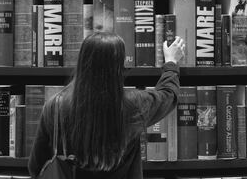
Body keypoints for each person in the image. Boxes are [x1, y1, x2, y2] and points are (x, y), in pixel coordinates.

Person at [28, 32, 185, 179]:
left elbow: (36, 165)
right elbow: (168, 95)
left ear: (82, 62)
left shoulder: (55, 106)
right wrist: (171, 62)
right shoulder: (134, 105)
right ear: (118, 67)